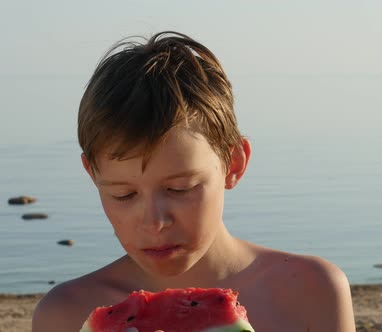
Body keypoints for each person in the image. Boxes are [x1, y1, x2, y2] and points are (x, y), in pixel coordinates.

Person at [32, 31, 355, 331]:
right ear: (92, 175)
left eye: (179, 189)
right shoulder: (64, 313)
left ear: (234, 164)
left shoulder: (311, 289)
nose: (155, 222)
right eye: (123, 194)